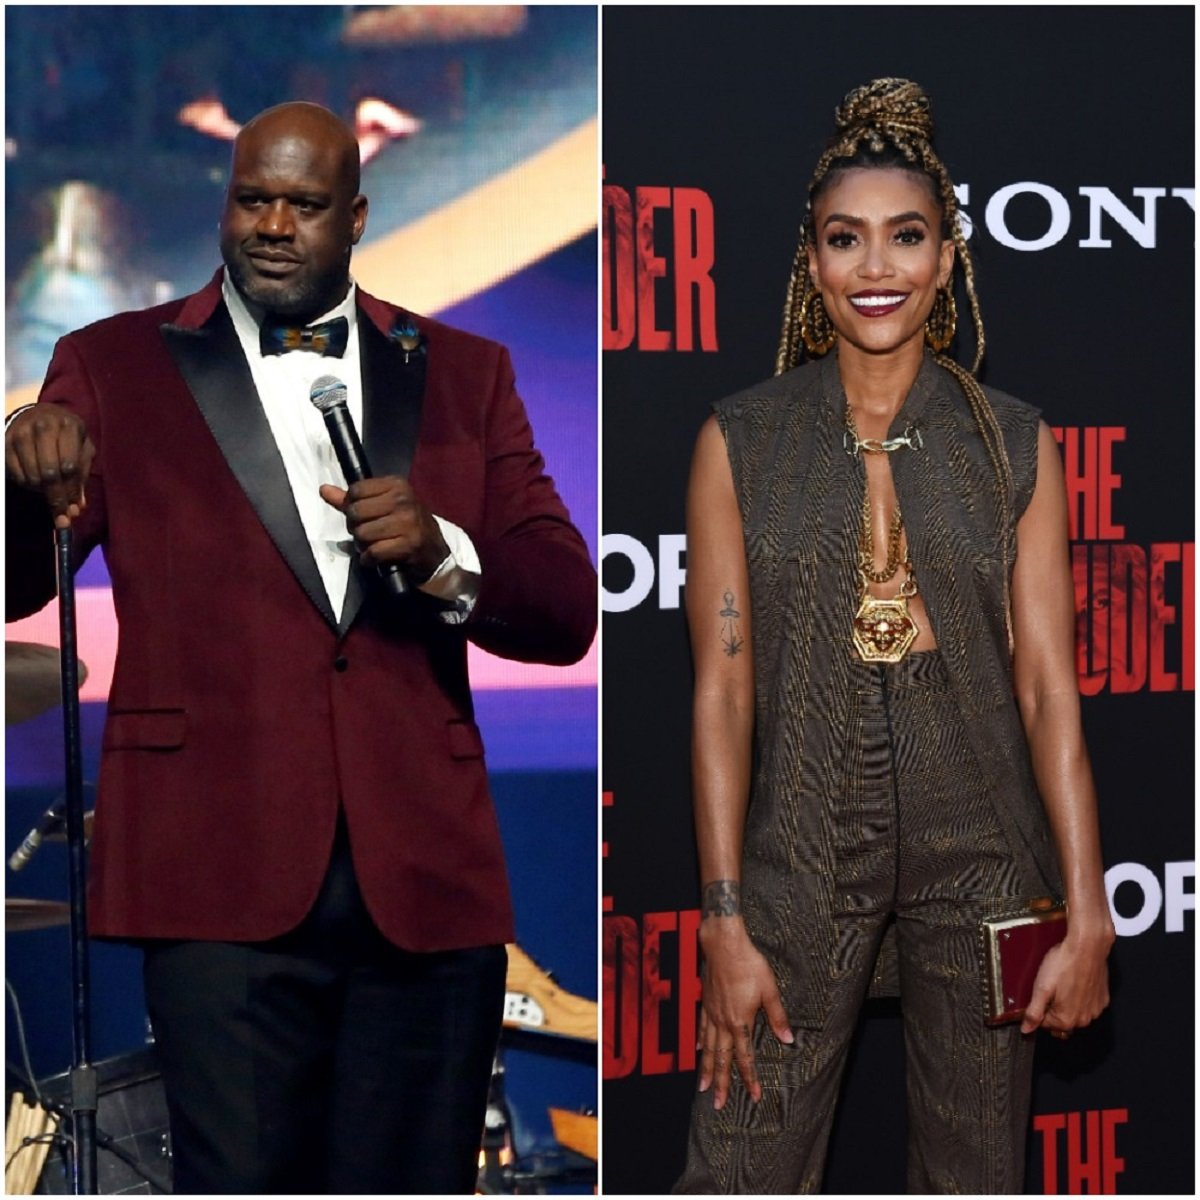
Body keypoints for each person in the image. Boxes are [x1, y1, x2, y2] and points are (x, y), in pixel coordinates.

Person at [6, 101, 596, 1194]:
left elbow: (565, 611)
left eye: (305, 204)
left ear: (359, 216)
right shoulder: (109, 365)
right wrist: (12, 483)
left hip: (423, 883)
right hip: (215, 879)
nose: (273, 224)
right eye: (252, 199)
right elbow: (10, 582)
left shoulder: (466, 371)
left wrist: (440, 551)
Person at [675, 79, 1114, 1194]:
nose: (877, 268)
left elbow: (1049, 687)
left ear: (948, 254)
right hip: (802, 842)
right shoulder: (744, 440)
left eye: (906, 237)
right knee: (740, 1162)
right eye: (846, 239)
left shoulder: (1012, 441)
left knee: (974, 1176)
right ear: (811, 263)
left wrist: (1091, 908)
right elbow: (722, 695)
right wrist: (723, 921)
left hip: (983, 845)